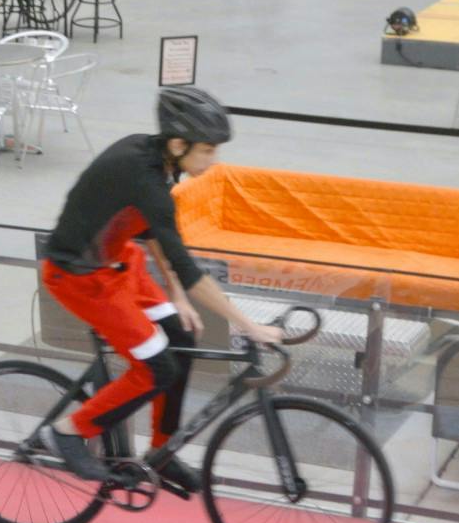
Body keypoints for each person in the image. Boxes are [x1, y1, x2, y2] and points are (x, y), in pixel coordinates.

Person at [38, 85, 280, 496]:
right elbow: (187, 266)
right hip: (80, 277)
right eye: (208, 150)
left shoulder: (159, 165)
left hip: (120, 267)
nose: (214, 159)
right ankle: (67, 431)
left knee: (181, 338)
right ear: (178, 143)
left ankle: (160, 452)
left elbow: (153, 233)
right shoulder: (144, 175)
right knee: (156, 368)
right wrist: (248, 326)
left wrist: (178, 299)